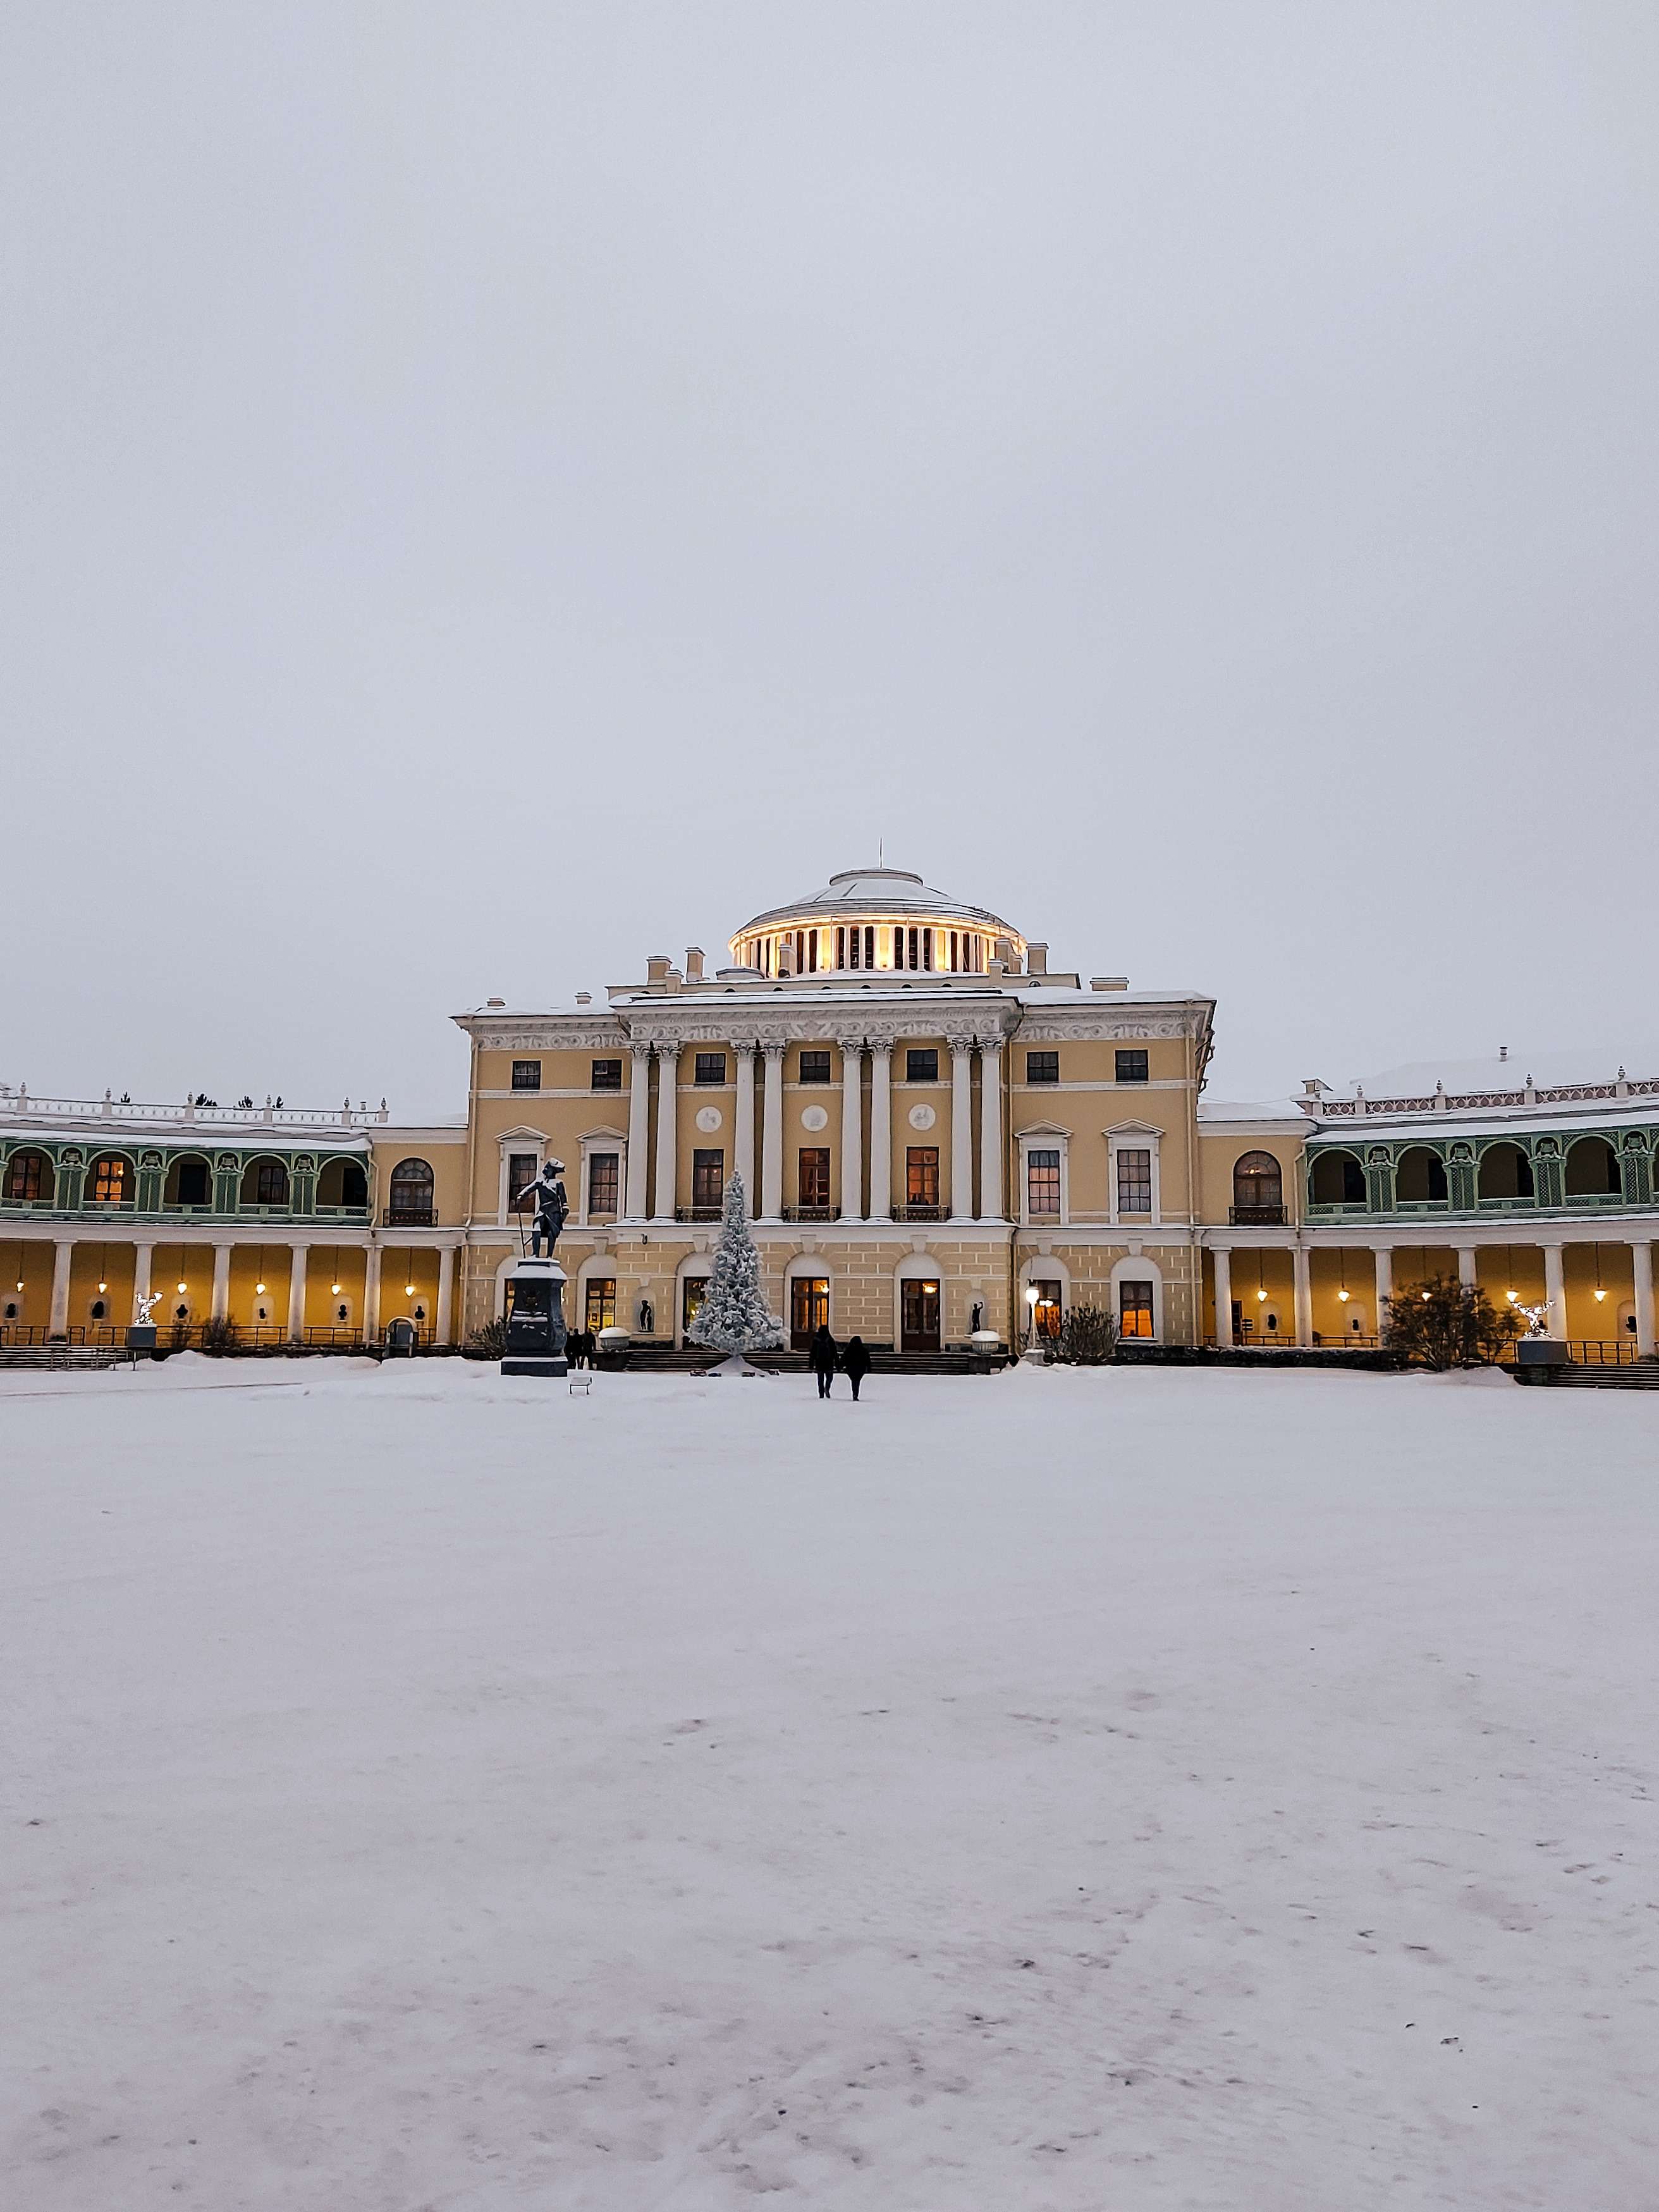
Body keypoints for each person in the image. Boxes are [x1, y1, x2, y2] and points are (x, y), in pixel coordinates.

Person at [809, 1322, 840, 1398]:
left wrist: (811, 1363)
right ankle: (827, 1388)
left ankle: (821, 1393)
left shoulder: (816, 1340)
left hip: (819, 1363)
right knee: (830, 1377)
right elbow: (834, 1352)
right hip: (829, 1363)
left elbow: (813, 1353)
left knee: (820, 1379)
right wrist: (837, 1363)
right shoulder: (830, 1340)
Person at [842, 1334, 871, 1402]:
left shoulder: (849, 1350)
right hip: (860, 1369)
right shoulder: (863, 1350)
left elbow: (844, 1358)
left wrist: (840, 1366)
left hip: (851, 1368)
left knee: (854, 1381)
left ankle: (855, 1393)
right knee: (857, 1381)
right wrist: (869, 1368)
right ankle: (856, 1394)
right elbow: (867, 1360)